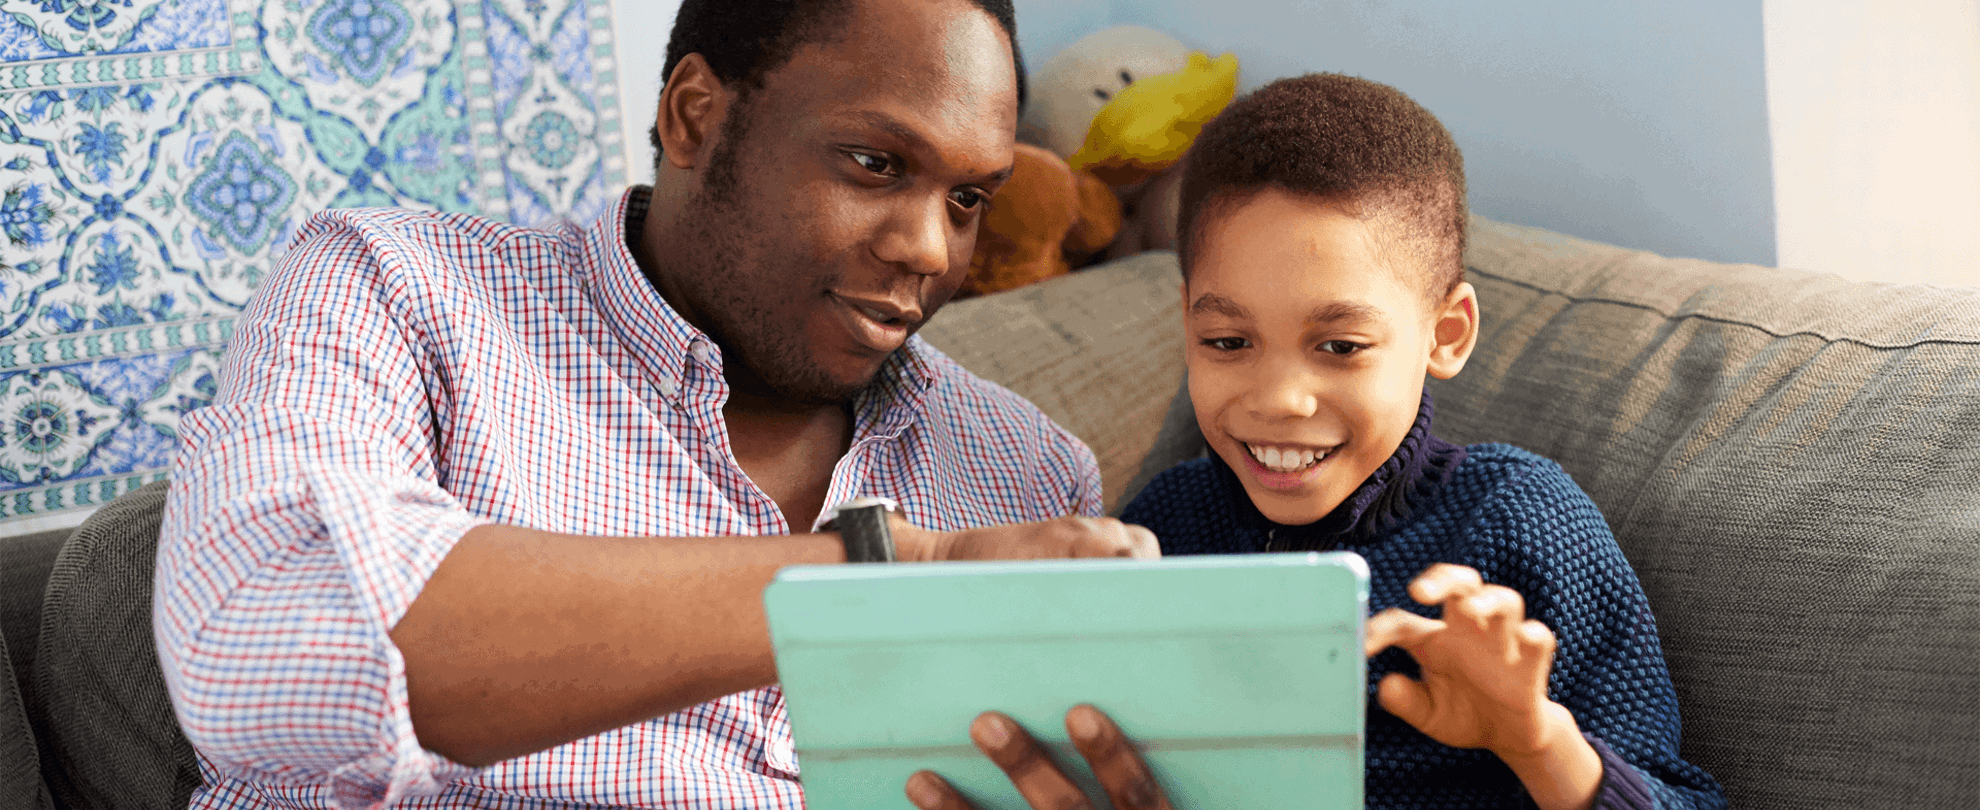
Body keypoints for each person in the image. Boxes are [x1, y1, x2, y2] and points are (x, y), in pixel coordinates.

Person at [153, 0, 1160, 806]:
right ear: (694, 116)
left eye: (967, 199)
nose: (931, 250)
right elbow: (255, 647)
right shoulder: (401, 291)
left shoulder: (1028, 472)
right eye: (875, 163)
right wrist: (890, 569)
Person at [912, 74, 1728, 810]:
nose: (1278, 400)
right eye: (1229, 343)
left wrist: (1537, 740)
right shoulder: (1161, 533)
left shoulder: (1520, 521)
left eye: (1339, 347)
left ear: (1445, 335)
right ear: (1186, 325)